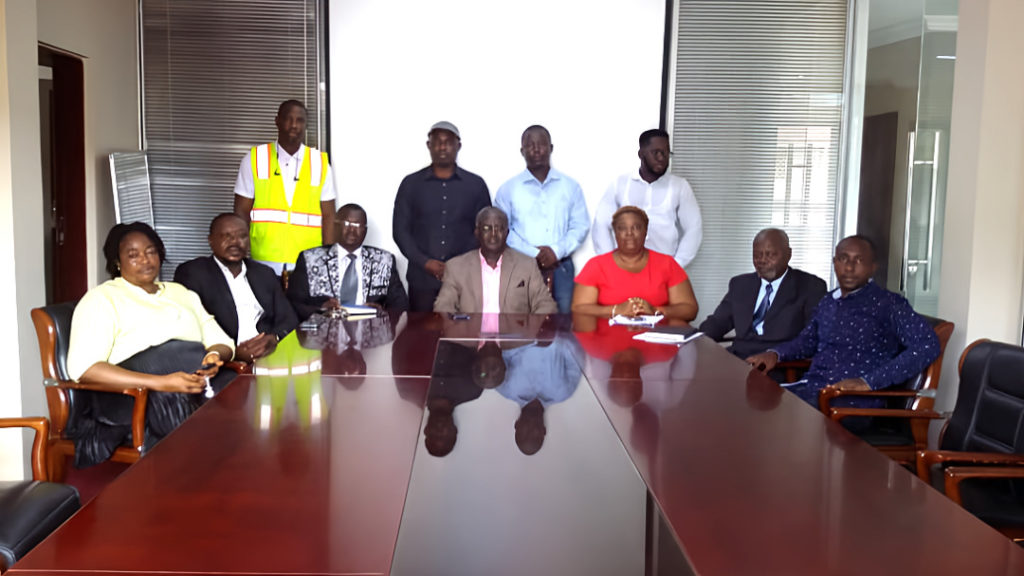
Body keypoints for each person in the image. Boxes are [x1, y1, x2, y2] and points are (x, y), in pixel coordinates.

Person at [66, 223, 236, 468]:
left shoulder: (180, 293)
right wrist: (161, 382)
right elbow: (85, 369)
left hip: (189, 380)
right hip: (128, 396)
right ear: (117, 262)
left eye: (151, 252)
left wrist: (213, 356)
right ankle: (198, 477)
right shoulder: (102, 298)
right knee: (173, 398)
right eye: (133, 255)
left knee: (236, 388)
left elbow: (221, 341)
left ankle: (234, 468)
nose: (145, 260)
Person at [745, 235, 940, 409]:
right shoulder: (829, 301)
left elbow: (928, 344)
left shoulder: (889, 304)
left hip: (851, 401)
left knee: (768, 414)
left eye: (859, 260)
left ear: (873, 267)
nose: (849, 267)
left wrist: (868, 381)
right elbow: (807, 341)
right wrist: (775, 354)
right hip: (812, 390)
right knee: (749, 400)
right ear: (834, 262)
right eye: (843, 259)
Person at [393, 121, 491, 311]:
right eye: (437, 141)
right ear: (429, 145)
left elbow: (484, 230)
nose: (443, 147)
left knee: (464, 329)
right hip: (422, 280)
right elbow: (400, 231)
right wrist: (425, 262)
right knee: (420, 329)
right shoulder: (411, 184)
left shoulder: (475, 185)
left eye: (448, 142)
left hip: (464, 278)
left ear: (458, 146)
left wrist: (456, 264)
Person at [174, 213, 298, 363]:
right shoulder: (193, 273)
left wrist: (274, 338)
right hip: (225, 361)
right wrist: (231, 353)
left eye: (242, 236)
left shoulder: (264, 273)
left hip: (271, 355)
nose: (235, 242)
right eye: (227, 236)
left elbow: (288, 318)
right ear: (211, 240)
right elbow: (191, 326)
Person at [233, 99, 337, 275]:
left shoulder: (319, 163)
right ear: (277, 121)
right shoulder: (255, 158)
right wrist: (240, 256)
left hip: (309, 261)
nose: (294, 125)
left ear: (306, 125)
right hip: (263, 259)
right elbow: (241, 212)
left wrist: (328, 261)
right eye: (288, 119)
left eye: (300, 120)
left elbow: (329, 216)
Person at [494, 125, 589, 313]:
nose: (536, 149)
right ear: (522, 151)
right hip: (520, 266)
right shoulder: (508, 189)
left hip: (561, 266)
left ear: (551, 148)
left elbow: (580, 226)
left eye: (541, 144)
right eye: (530, 145)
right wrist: (533, 253)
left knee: (563, 322)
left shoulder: (570, 187)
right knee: (519, 321)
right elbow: (503, 230)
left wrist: (555, 251)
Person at [699, 228, 827, 358]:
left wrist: (777, 354)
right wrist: (694, 339)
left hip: (779, 362)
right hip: (739, 358)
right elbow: (718, 322)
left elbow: (812, 338)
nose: (762, 260)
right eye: (757, 255)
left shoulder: (810, 287)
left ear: (788, 254)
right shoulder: (740, 284)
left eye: (770, 255)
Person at [591, 128, 702, 269]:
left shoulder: (679, 186)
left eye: (666, 152)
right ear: (641, 154)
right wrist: (610, 264)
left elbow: (694, 228)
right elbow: (601, 223)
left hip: (662, 268)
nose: (661, 158)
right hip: (626, 266)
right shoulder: (620, 184)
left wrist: (676, 265)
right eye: (656, 152)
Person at [572, 206, 698, 322]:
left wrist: (655, 310)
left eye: (636, 227)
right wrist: (616, 310)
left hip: (657, 337)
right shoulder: (596, 265)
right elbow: (578, 308)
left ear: (645, 231)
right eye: (622, 228)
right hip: (607, 337)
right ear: (615, 232)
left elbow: (690, 309)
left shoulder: (667, 264)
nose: (629, 233)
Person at [287, 203, 408, 321]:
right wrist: (321, 309)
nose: (352, 230)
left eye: (358, 225)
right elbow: (294, 304)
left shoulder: (383, 261)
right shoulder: (311, 259)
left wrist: (381, 313)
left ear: (365, 230)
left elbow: (401, 306)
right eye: (346, 224)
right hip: (325, 329)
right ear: (335, 226)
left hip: (370, 329)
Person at [433, 207, 557, 315]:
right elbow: (443, 307)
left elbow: (546, 305)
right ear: (477, 233)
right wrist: (457, 328)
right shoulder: (456, 267)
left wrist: (529, 329)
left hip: (514, 334)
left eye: (499, 228)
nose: (493, 234)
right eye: (487, 228)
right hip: (471, 334)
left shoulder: (527, 265)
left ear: (507, 233)